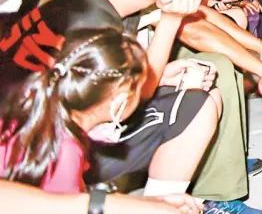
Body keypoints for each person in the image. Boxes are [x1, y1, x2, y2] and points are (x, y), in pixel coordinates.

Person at [0, 0, 220, 199]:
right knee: (197, 105)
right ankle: (163, 206)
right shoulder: (94, 23)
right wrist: (171, 19)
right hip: (40, 155)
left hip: (35, 128)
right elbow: (131, 101)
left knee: (192, 92)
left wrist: (163, 74)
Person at [0, 29, 206, 214]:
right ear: (120, 102)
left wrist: (149, 203)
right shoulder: (66, 151)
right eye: (139, 88)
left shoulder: (31, 106)